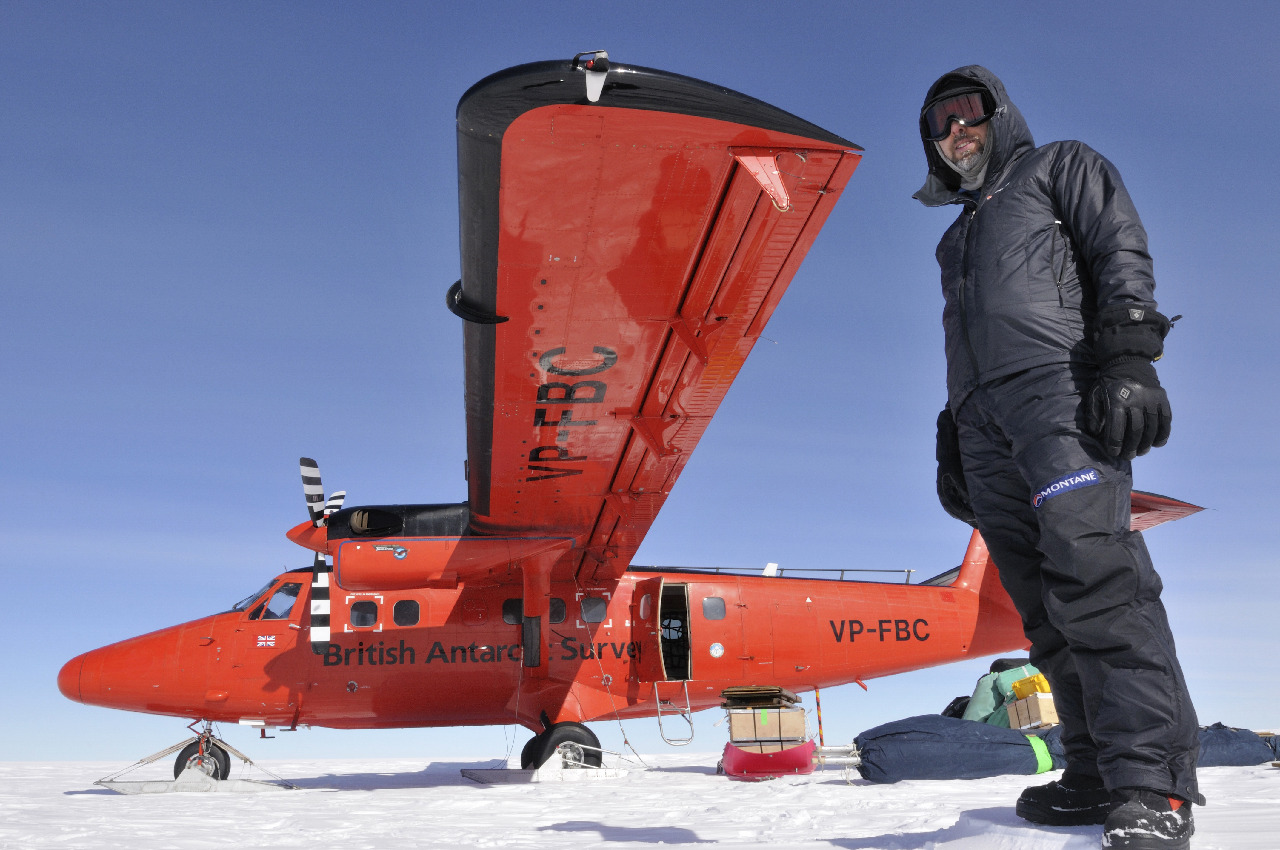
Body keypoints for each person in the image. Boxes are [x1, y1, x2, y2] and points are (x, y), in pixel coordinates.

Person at [915, 66, 1202, 849]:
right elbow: (966, 338)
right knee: (1043, 612)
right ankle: (1096, 772)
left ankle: (1152, 783)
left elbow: (1117, 247)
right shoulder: (955, 236)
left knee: (1097, 579)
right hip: (984, 423)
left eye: (968, 112)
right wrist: (953, 435)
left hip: (1058, 393)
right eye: (939, 124)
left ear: (1000, 114)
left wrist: (1131, 355)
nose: (956, 131)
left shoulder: (1059, 166)